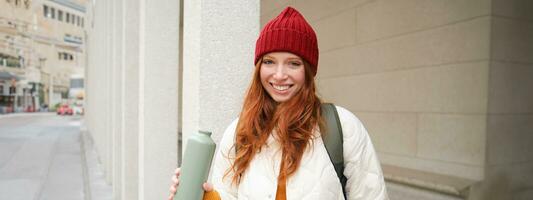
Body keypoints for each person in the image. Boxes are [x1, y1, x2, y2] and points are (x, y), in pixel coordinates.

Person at [169, 7, 388, 200]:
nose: (279, 75)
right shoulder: (238, 132)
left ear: (308, 71)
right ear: (259, 68)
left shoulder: (341, 127)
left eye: (293, 63)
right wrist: (200, 195)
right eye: (269, 62)